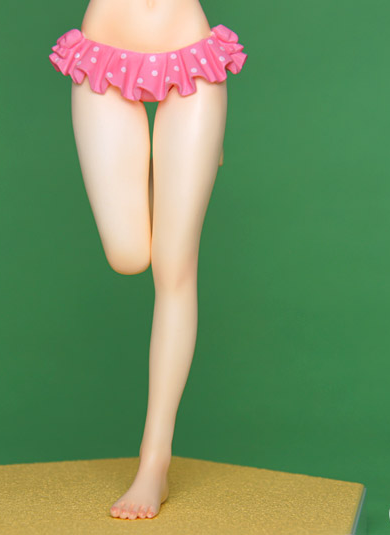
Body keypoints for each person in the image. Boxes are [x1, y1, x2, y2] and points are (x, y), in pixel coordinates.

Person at [48, 0, 247, 520]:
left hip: (191, 58)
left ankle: (154, 459)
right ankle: (173, 165)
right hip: (104, 54)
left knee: (173, 266)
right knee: (129, 255)